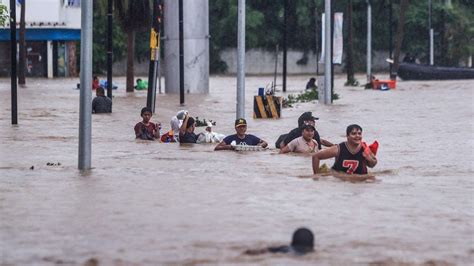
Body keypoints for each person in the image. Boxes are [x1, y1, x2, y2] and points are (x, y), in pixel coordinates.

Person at [312, 124, 377, 176]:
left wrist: (369, 158)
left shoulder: (365, 148)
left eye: (359, 134)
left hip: (359, 181)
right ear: (347, 136)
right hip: (339, 180)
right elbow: (316, 156)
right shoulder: (339, 149)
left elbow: (372, 165)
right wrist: (316, 176)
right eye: (354, 134)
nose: (357, 136)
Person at [244, 228, 314, 256]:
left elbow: (266, 250)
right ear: (312, 244)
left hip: (284, 252)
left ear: (292, 241)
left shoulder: (284, 247)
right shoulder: (312, 253)